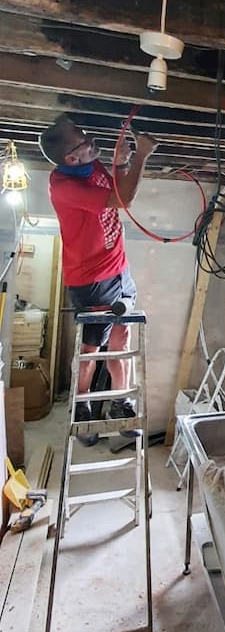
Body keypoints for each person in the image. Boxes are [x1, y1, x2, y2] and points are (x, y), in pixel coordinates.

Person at [39, 114, 157, 446]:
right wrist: (144, 156)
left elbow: (116, 188)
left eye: (86, 134)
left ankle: (120, 403)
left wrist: (121, 164)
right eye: (83, 140)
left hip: (119, 270)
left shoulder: (90, 166)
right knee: (92, 348)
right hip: (90, 280)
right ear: (70, 158)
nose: (92, 142)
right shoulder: (65, 186)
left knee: (122, 336)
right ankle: (83, 407)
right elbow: (123, 200)